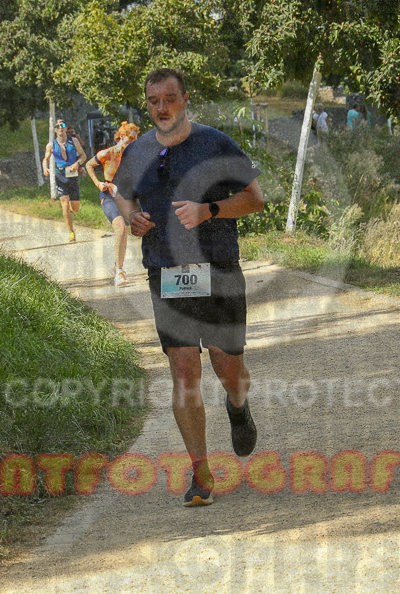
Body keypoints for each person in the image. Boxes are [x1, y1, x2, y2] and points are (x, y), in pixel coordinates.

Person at [113, 68, 265, 507]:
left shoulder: (215, 143)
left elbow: (255, 199)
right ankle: (201, 474)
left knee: (227, 368)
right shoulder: (138, 150)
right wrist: (131, 215)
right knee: (184, 371)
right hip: (166, 271)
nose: (162, 108)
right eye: (154, 101)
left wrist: (209, 210)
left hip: (217, 268)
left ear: (185, 99)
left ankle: (238, 406)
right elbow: (123, 192)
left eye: (170, 99)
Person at [86, 121, 139, 285]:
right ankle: (120, 272)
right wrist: (97, 183)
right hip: (108, 196)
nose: (133, 143)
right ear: (121, 137)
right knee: (120, 228)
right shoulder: (108, 153)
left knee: (125, 232)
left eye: (136, 140)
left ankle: (117, 266)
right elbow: (89, 164)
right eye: (130, 138)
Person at [43, 119, 88, 242]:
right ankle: (71, 232)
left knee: (75, 208)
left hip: (72, 175)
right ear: (55, 130)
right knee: (65, 203)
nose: (60, 128)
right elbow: (45, 159)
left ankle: (69, 213)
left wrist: (77, 164)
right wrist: (45, 168)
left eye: (62, 125)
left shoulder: (73, 141)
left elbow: (83, 155)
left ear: (66, 128)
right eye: (58, 126)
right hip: (60, 175)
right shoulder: (51, 145)